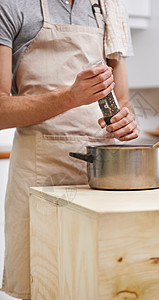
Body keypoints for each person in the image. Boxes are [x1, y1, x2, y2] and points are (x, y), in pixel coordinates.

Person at [0, 0, 138, 298]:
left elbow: (122, 102)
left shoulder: (108, 9)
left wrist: (125, 121)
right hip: (40, 176)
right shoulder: (12, 6)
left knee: (101, 285)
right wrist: (71, 97)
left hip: (101, 179)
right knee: (45, 284)